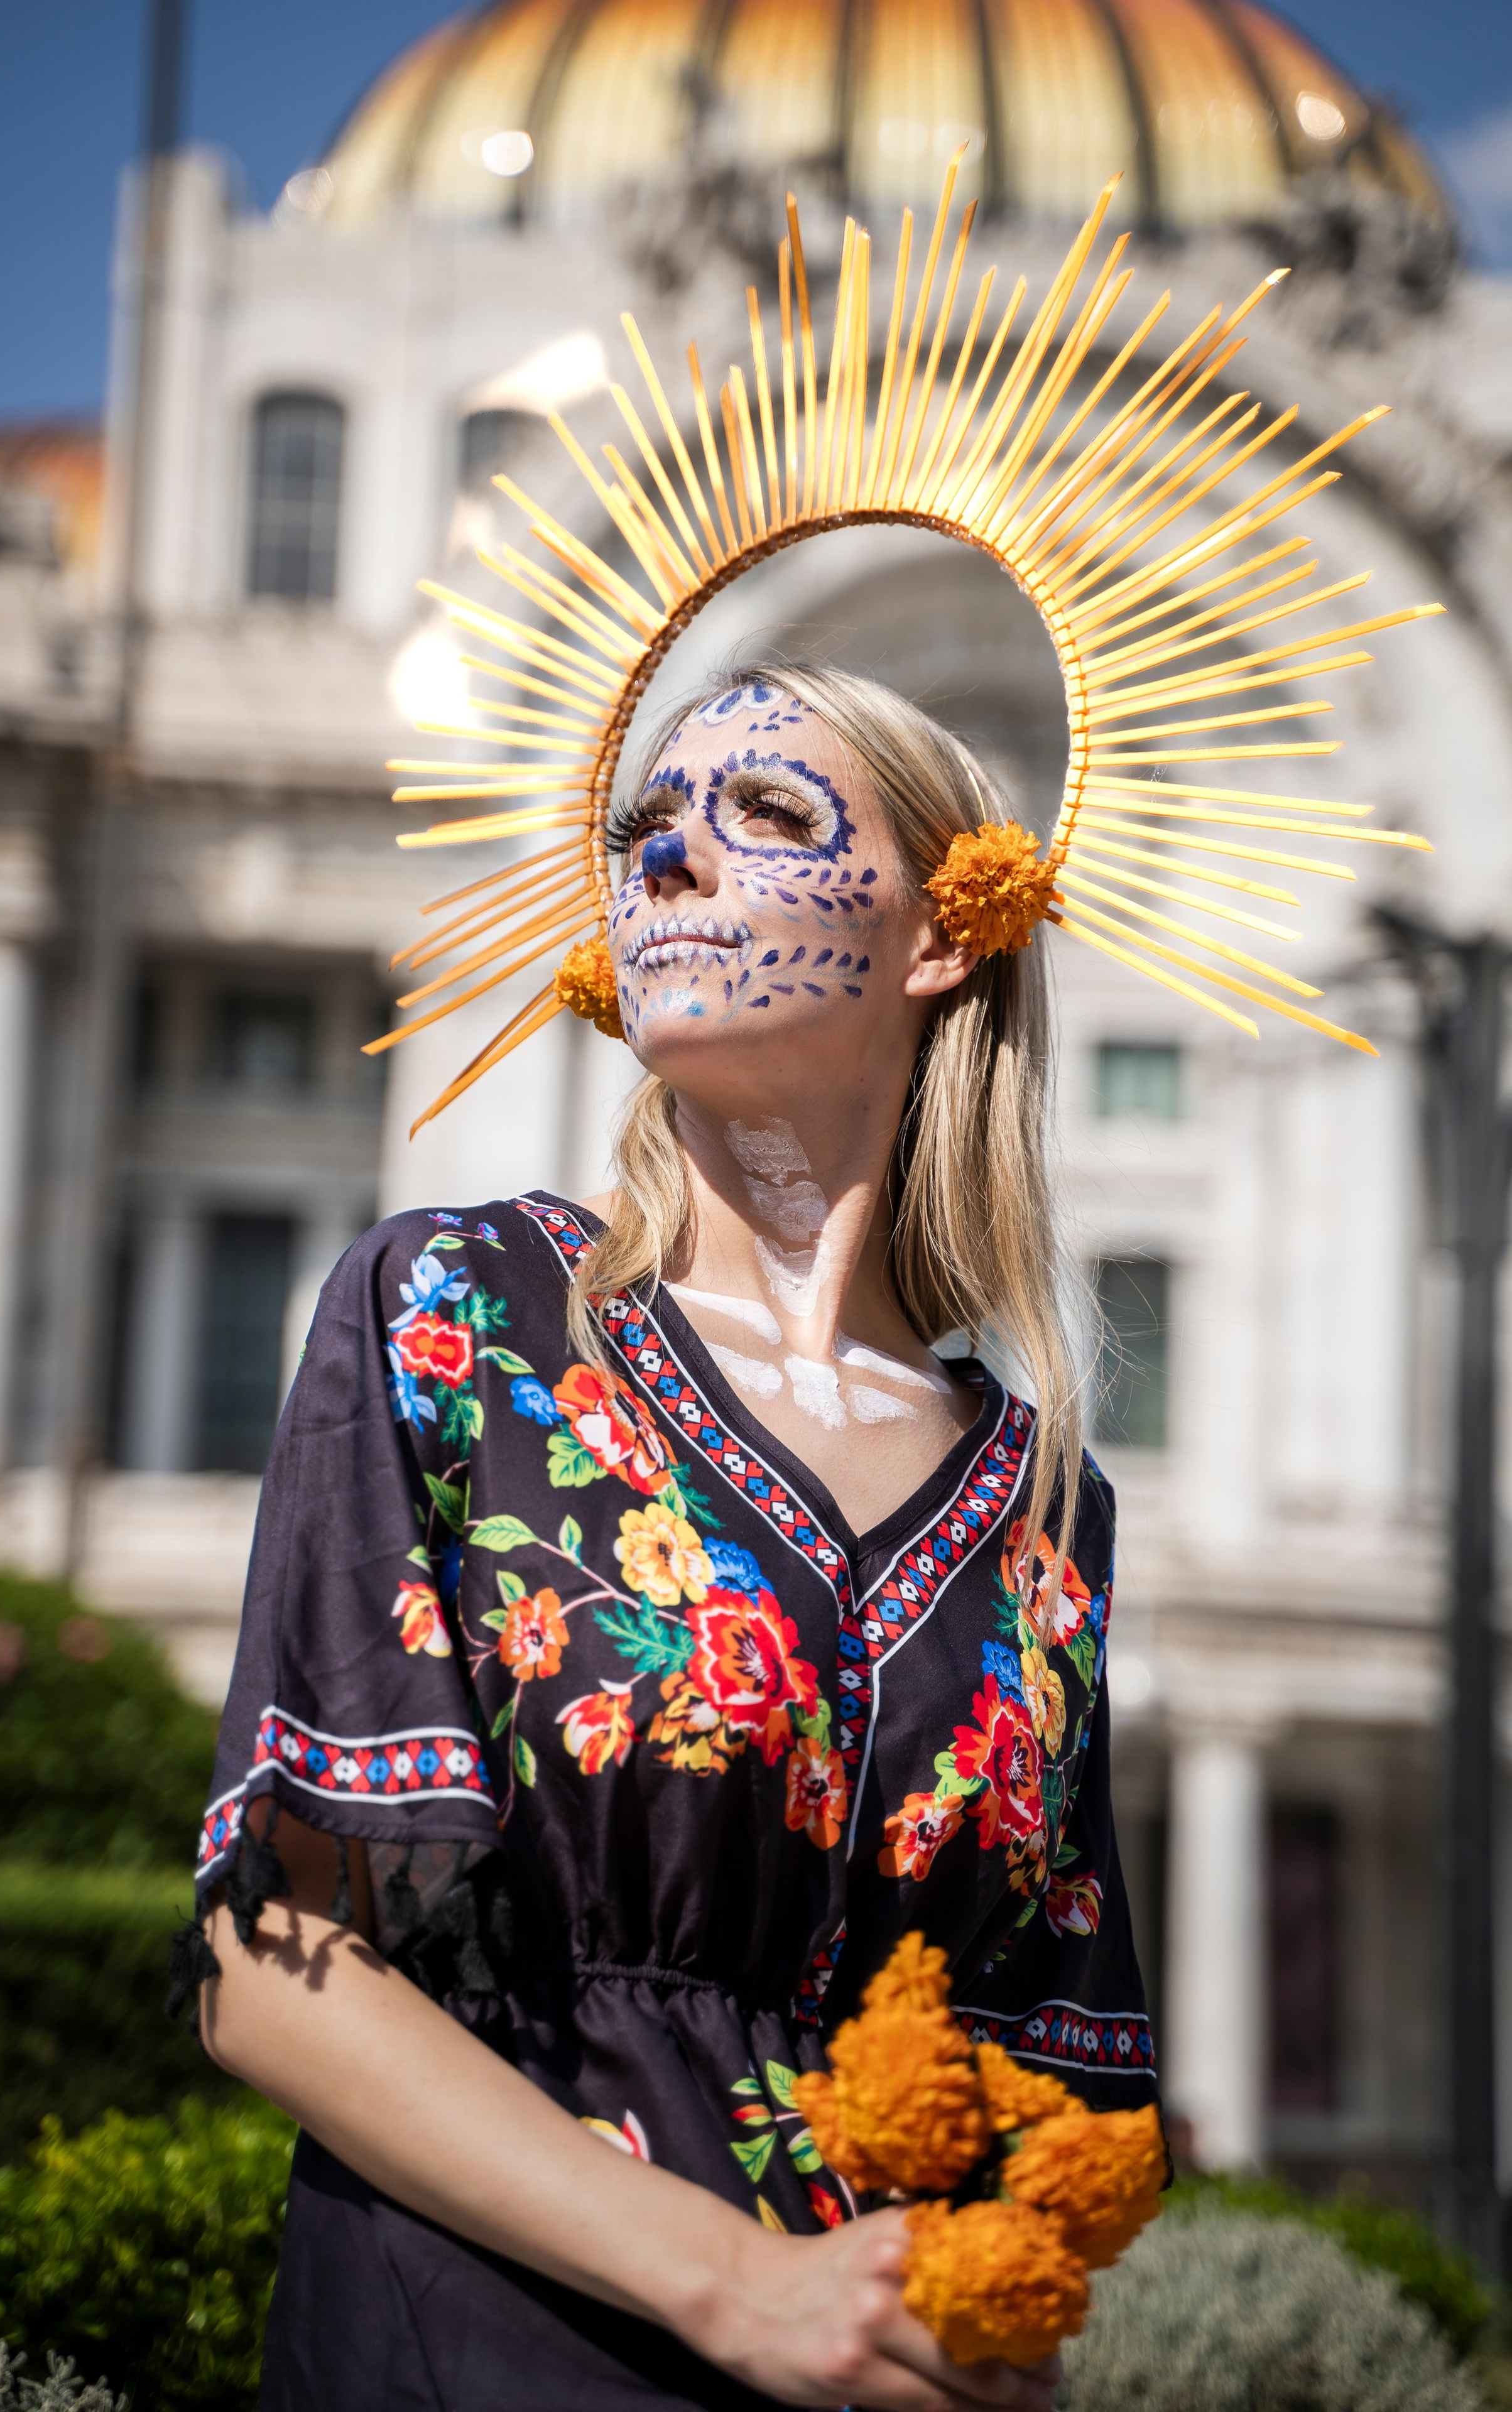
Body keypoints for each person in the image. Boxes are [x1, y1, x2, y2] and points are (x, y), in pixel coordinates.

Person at [185, 663, 1158, 2412]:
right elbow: (274, 1964)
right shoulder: (455, 1317)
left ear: (946, 933)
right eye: (647, 828)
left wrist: (985, 2310)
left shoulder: (1048, 1507)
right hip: (474, 2352)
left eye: (770, 815)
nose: (675, 861)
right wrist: (735, 2285)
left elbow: (1052, 2083)